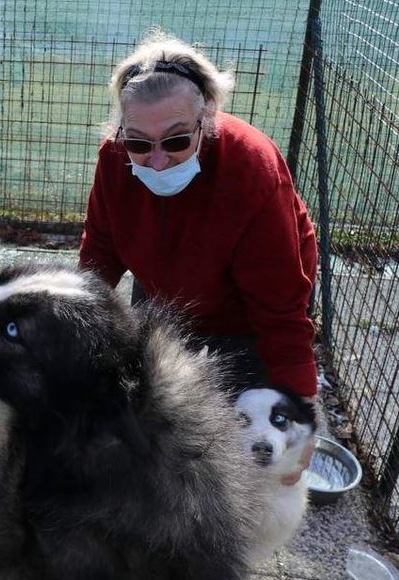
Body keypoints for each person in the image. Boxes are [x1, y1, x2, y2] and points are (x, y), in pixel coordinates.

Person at [79, 33, 318, 483]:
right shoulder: (114, 159)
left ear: (207, 118)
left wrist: (301, 411)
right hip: (164, 284)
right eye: (138, 143)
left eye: (175, 141)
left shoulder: (251, 170)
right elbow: (100, 252)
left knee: (236, 428)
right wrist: (71, 319)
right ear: (121, 131)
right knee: (160, 408)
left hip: (247, 308)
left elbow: (281, 313)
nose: (156, 162)